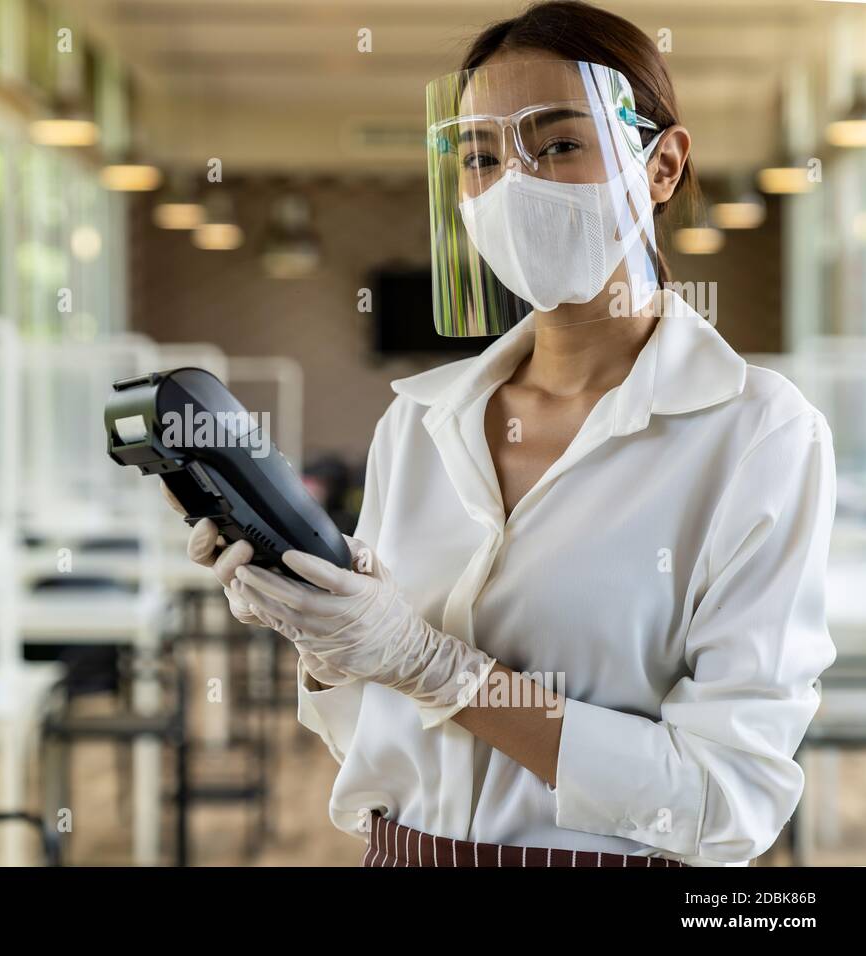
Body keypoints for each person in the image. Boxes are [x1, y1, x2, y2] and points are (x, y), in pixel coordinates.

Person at [168, 0, 836, 867]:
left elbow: (725, 805)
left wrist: (437, 668)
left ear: (662, 165)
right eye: (478, 156)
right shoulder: (419, 420)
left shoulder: (756, 435)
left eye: (558, 144)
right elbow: (368, 747)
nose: (512, 183)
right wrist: (329, 645)